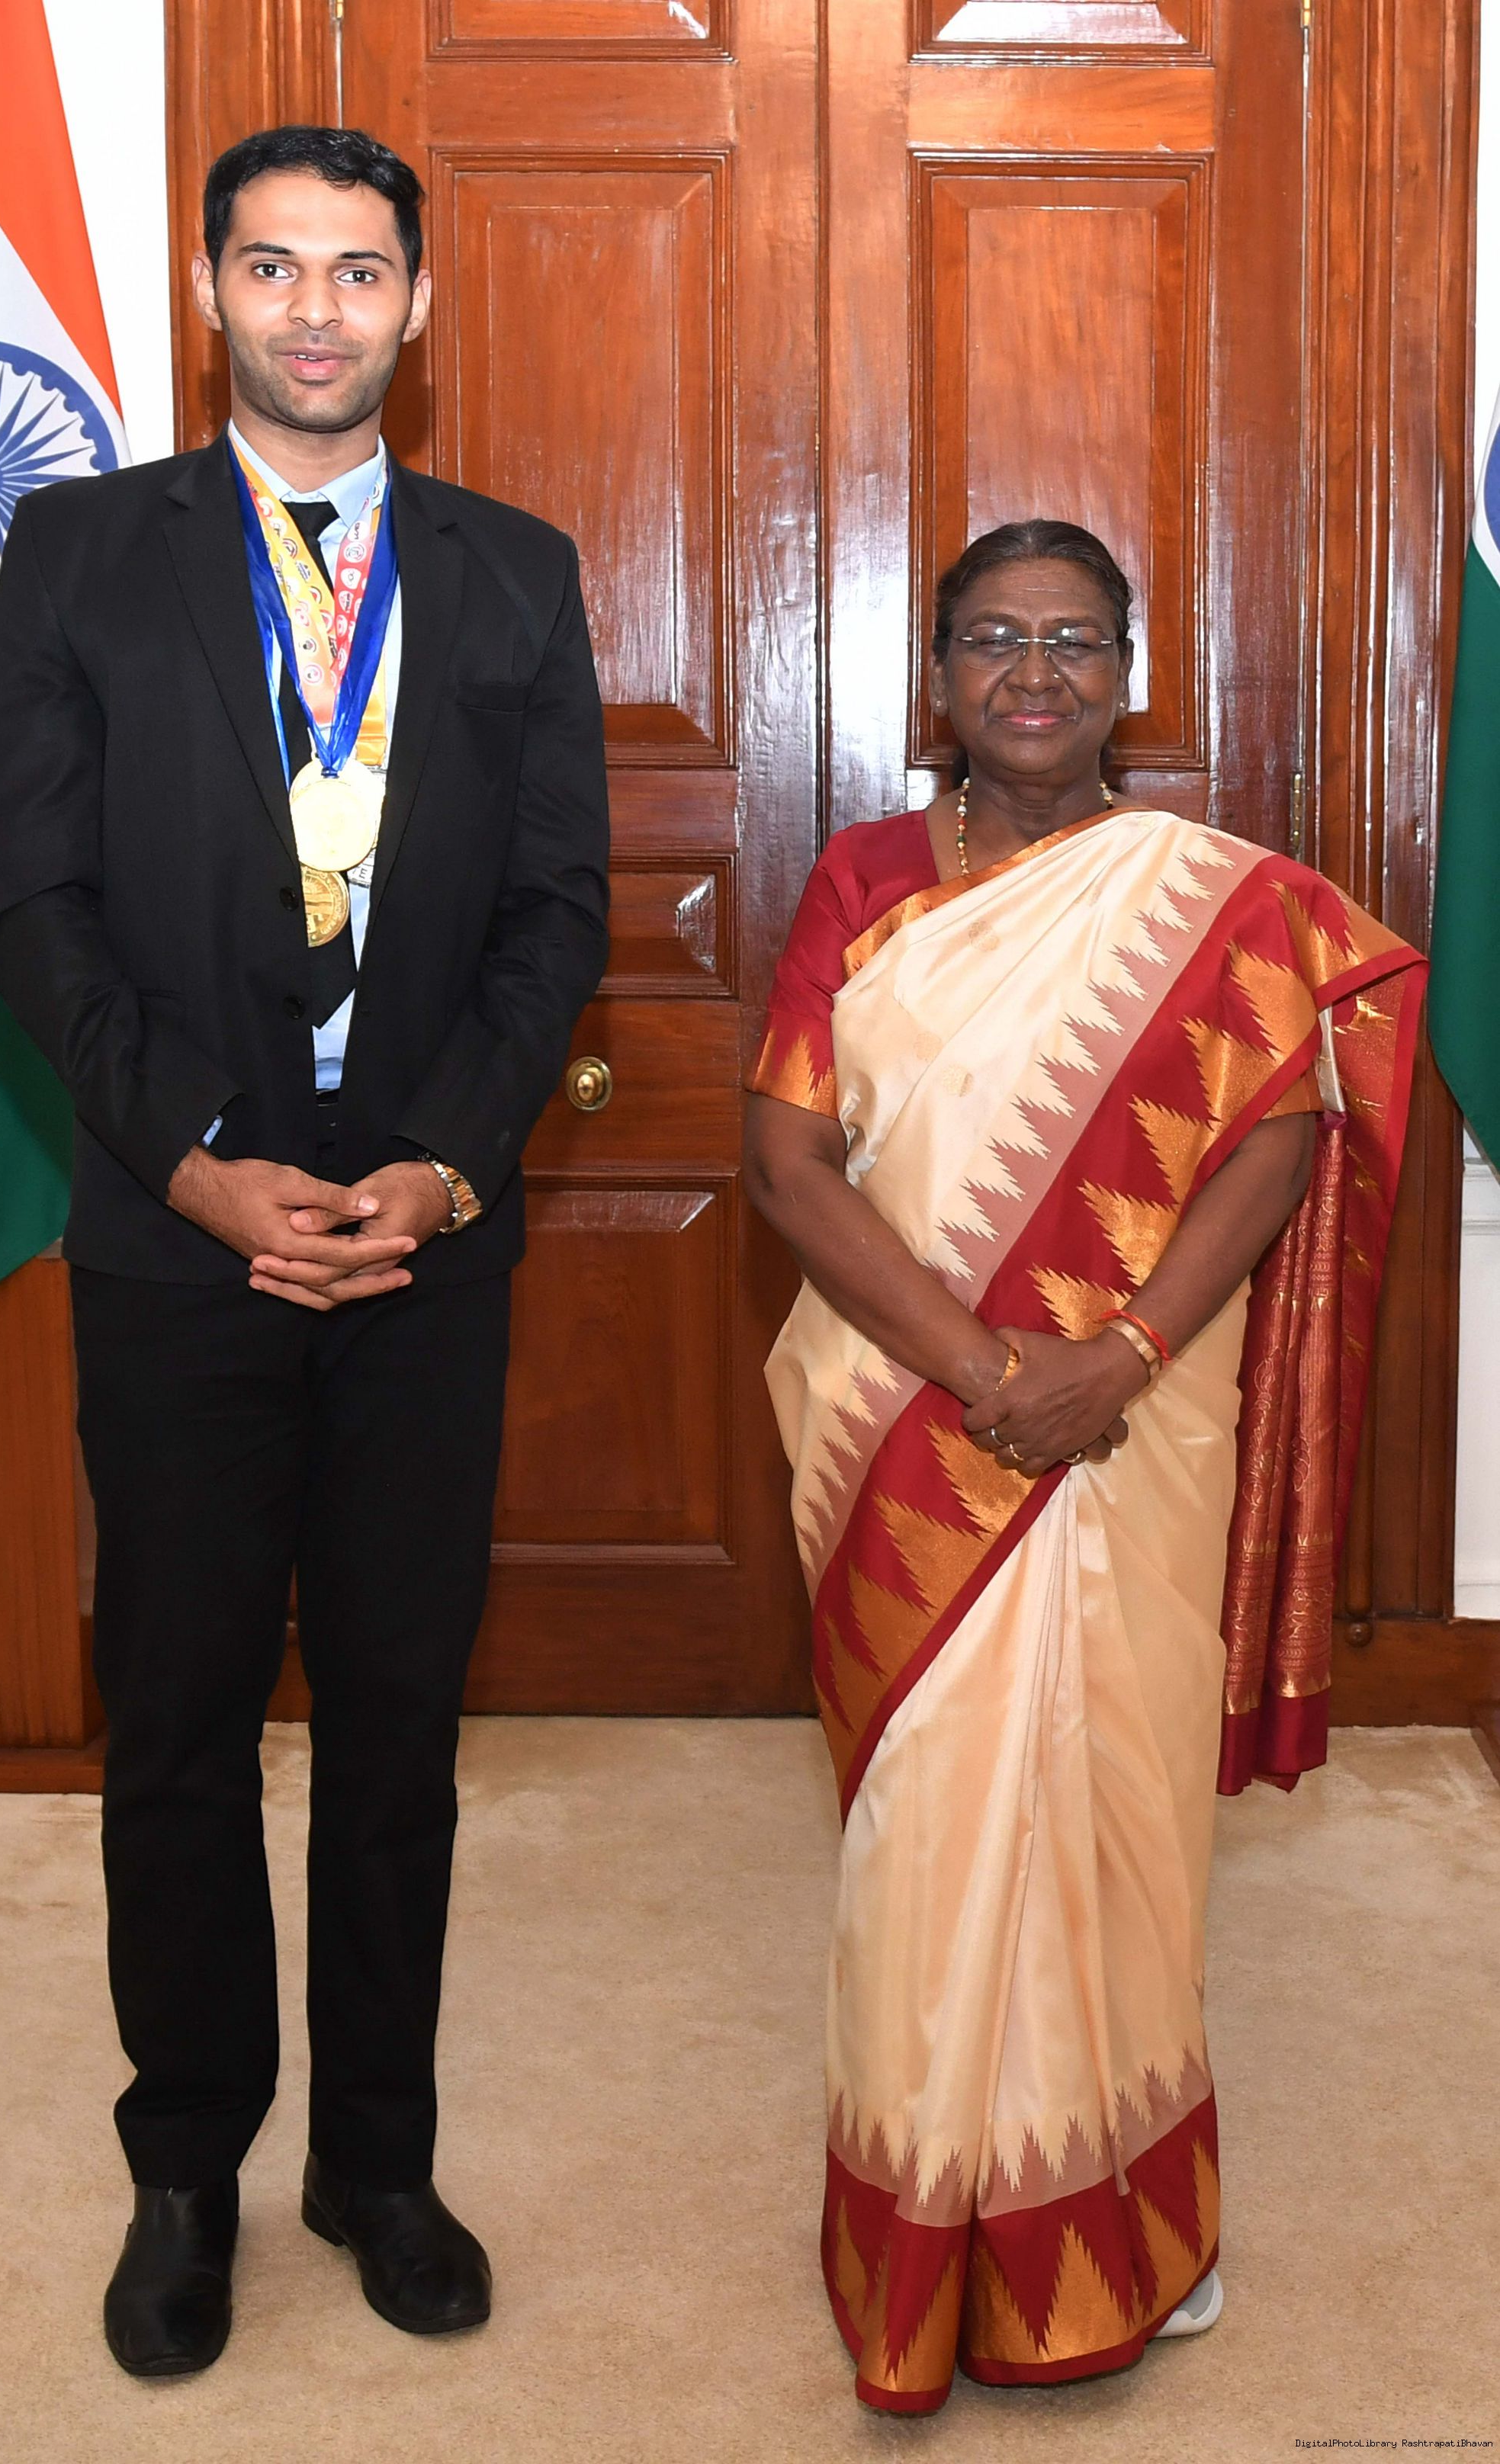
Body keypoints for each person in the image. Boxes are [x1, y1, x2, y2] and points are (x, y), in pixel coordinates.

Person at [0, 125, 609, 2377]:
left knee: (402, 1722)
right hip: (181, 1241)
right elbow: (31, 908)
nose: (315, 311)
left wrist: (439, 1163)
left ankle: (377, 2159)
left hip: (424, 1242)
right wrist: (193, 1164)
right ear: (210, 292)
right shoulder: (77, 551)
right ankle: (186, 2166)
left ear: (416, 305)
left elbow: (556, 913)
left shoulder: (514, 571)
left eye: (356, 272)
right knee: (176, 1718)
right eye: (272, 267)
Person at [744, 521, 1425, 2414]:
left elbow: (1274, 1138)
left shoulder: (1216, 898)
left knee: (1117, 1812)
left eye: (1071, 639)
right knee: (926, 1825)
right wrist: (986, 1369)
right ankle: (916, 2238)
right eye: (991, 638)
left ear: (1127, 673)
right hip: (905, 1417)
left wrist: (1115, 1356)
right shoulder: (864, 877)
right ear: (936, 676)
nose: (1031, 671)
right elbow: (787, 1159)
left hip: (1137, 1415)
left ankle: (1123, 2214)